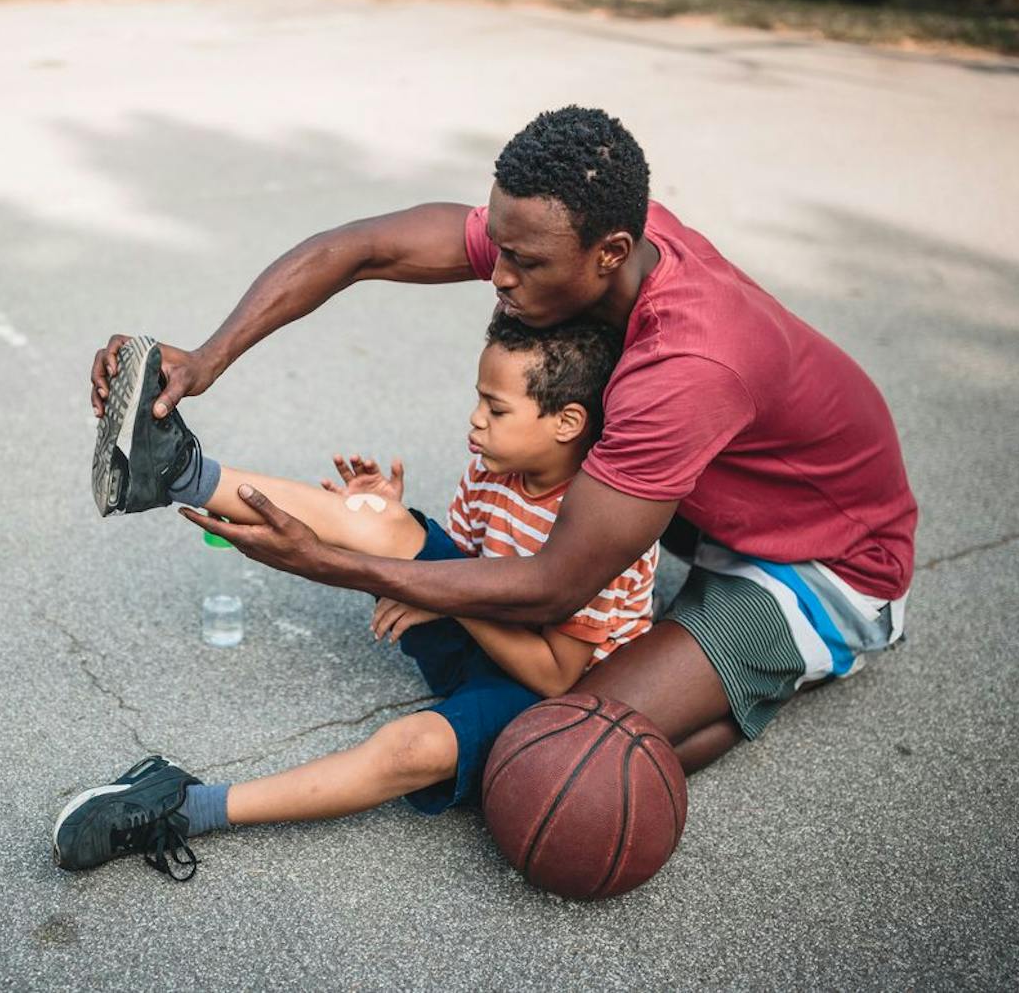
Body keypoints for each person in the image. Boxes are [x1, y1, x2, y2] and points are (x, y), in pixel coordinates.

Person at [89, 105, 917, 780]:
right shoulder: (576, 230)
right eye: (498, 244)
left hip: (825, 562)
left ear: (612, 254)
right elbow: (361, 248)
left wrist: (335, 563)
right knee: (474, 560)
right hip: (711, 502)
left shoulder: (685, 365)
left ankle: (751, 678)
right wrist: (206, 356)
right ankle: (185, 472)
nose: (497, 274)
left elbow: (553, 587)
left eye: (519, 261)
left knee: (548, 765)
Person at [56, 316, 658, 880]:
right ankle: (177, 471)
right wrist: (388, 523)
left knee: (411, 749)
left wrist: (443, 598)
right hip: (488, 627)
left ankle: (189, 807)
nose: (475, 420)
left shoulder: (606, 529)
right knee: (374, 517)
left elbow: (556, 676)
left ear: (567, 423)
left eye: (495, 408)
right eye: (478, 400)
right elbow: (465, 562)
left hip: (545, 691)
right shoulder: (495, 468)